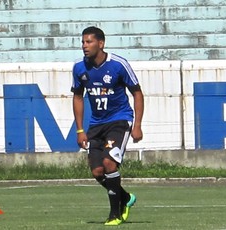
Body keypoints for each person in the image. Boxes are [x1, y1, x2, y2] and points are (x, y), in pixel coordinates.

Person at [71, 26, 144, 226]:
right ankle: (126, 198)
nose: (84, 46)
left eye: (89, 42)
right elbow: (78, 97)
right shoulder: (79, 68)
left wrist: (137, 125)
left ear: (101, 44)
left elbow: (137, 93)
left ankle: (115, 214)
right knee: (97, 171)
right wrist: (80, 130)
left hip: (119, 120)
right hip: (96, 124)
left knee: (110, 164)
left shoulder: (119, 65)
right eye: (83, 42)